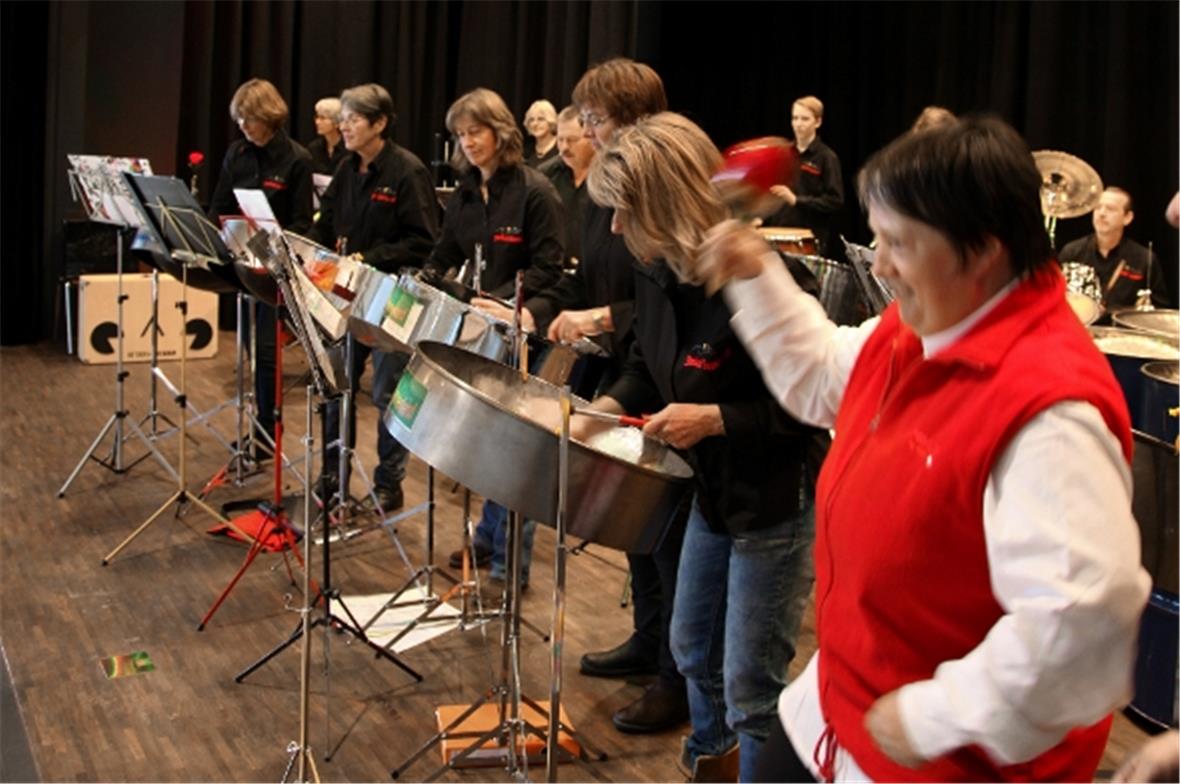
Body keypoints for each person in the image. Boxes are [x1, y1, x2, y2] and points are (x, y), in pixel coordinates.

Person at [697, 116, 1151, 782]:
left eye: (898, 245)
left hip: (938, 759)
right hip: (836, 706)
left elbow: (1081, 622)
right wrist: (754, 273)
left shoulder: (1051, 412)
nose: (878, 265)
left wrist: (933, 716)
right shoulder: (925, 324)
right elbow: (823, 378)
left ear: (983, 251)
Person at [580, 112, 824, 782]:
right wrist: (597, 413)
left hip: (772, 499)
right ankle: (709, 764)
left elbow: (808, 413)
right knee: (690, 647)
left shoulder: (756, 280)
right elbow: (641, 364)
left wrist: (715, 419)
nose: (615, 229)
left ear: (660, 204)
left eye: (626, 211)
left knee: (751, 683)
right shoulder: (656, 276)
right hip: (711, 494)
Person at [469, 60, 686, 736]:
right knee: (641, 534)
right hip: (633, 368)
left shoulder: (661, 194)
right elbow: (587, 280)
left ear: (623, 118)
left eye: (589, 120)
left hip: (669, 381)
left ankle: (676, 679)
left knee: (672, 543)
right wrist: (530, 310)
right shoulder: (601, 196)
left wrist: (601, 322)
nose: (580, 132)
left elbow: (665, 300)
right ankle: (649, 645)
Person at [428, 87, 565, 589]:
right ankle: (488, 540)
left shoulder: (535, 192)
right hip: (478, 328)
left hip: (522, 334)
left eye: (475, 132)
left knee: (514, 452)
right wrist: (428, 278)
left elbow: (552, 270)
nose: (466, 142)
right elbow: (444, 251)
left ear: (501, 132)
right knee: (486, 446)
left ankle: (511, 566)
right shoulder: (464, 192)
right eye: (460, 135)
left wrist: (504, 302)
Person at [309, 83, 439, 512]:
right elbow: (325, 224)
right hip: (346, 294)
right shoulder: (346, 169)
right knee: (335, 385)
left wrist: (369, 258)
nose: (344, 126)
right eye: (342, 118)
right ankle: (332, 476)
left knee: (387, 393)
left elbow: (423, 241)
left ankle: (389, 483)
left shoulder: (407, 171)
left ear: (380, 123)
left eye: (354, 119)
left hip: (392, 296)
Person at [207, 78, 313, 460]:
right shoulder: (236, 153)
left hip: (274, 270)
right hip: (241, 261)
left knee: (268, 353)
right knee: (252, 350)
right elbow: (218, 204)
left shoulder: (297, 159)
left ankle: (268, 433)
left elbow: (302, 223)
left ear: (268, 116)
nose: (243, 127)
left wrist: (272, 249)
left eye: (248, 119)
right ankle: (258, 424)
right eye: (239, 120)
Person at [1059, 187, 1170, 310]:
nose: (1101, 213)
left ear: (1127, 218)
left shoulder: (1144, 259)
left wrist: (1146, 307)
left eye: (1110, 209)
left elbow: (1160, 310)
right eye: (1097, 207)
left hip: (1123, 327)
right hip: (1080, 327)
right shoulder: (1072, 252)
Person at [764, 95, 844, 256]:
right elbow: (772, 193)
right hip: (777, 234)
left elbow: (835, 201)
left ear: (818, 122)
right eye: (795, 118)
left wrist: (796, 200)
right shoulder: (782, 154)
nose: (798, 124)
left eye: (805, 119)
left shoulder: (826, 157)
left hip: (808, 239)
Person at [539, 106, 595, 267]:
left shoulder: (608, 178)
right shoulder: (546, 175)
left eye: (572, 140)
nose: (564, 148)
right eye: (560, 140)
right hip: (555, 275)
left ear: (591, 136)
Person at [306, 97, 348, 176]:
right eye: (317, 117)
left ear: (337, 122)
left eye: (323, 118)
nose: (317, 122)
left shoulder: (349, 149)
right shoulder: (314, 148)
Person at [522, 99, 559, 168]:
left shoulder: (561, 148)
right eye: (532, 120)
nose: (535, 124)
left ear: (551, 121)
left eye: (541, 119)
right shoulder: (525, 153)